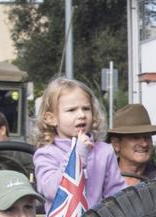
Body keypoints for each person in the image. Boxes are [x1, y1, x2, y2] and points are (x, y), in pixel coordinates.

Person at [32, 77, 126, 209]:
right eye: (71, 110)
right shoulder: (46, 154)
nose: (81, 114)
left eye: (86, 109)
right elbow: (52, 191)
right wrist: (77, 155)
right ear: (51, 118)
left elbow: (116, 193)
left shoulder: (104, 151)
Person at [107, 103, 156, 186]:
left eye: (147, 136)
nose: (144, 144)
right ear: (116, 144)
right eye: (135, 137)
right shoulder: (102, 180)